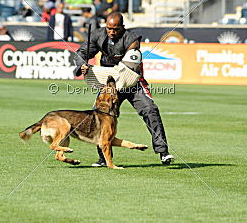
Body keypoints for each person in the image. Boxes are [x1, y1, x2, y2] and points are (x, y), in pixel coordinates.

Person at [74, 12, 174, 167]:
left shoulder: (132, 40)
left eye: (115, 29)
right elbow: (81, 53)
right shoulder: (97, 35)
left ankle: (163, 152)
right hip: (110, 84)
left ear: (122, 27)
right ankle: (103, 158)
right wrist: (81, 65)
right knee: (99, 115)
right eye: (109, 28)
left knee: (150, 109)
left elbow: (129, 68)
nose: (112, 32)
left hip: (132, 81)